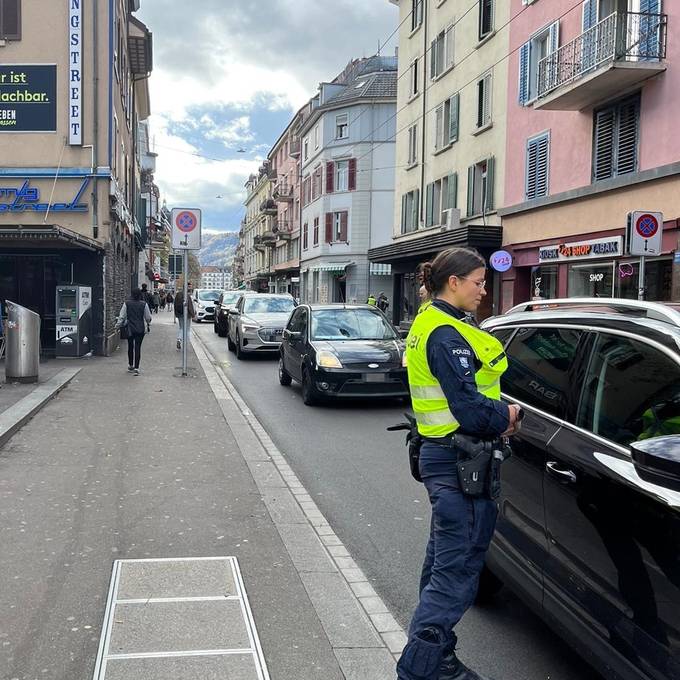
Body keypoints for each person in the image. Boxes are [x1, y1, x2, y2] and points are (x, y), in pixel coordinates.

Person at [397, 247, 522, 680]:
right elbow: (469, 409)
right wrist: (507, 416)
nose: (484, 291)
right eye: (478, 282)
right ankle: (423, 668)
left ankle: (436, 655)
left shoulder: (430, 323)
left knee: (442, 564)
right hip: (458, 459)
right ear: (454, 282)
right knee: (458, 570)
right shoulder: (445, 334)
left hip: (444, 456)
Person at [116, 288, 151, 376]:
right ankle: (137, 367)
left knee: (130, 346)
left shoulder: (127, 303)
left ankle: (130, 365)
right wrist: (148, 322)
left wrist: (117, 325)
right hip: (140, 328)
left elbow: (122, 316)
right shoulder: (144, 304)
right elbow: (148, 317)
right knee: (138, 347)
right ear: (140, 295)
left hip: (130, 328)